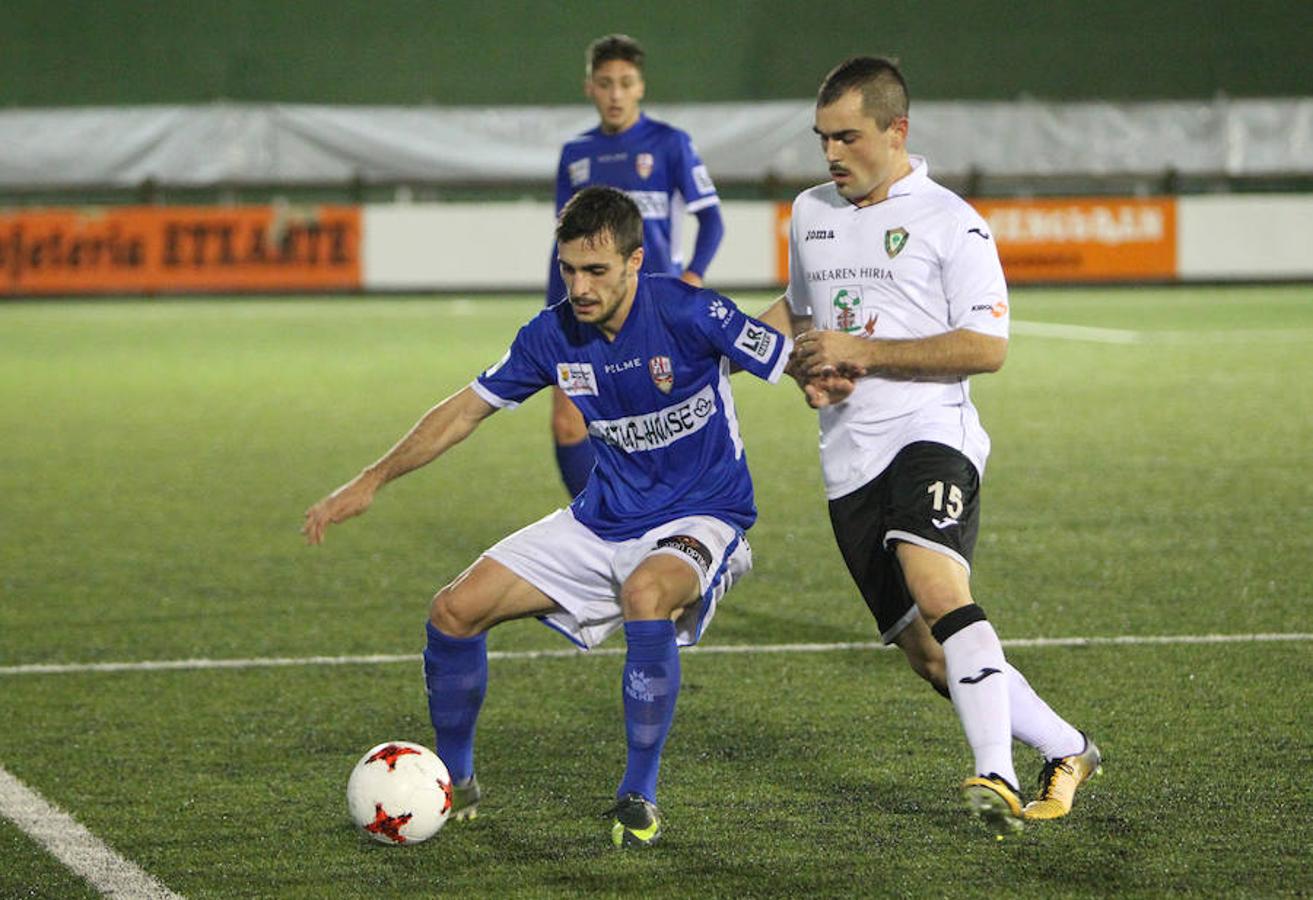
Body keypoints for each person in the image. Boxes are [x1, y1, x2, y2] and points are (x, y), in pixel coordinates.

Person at [304, 186, 788, 848]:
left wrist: (836, 372)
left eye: (596, 271)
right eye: (568, 269)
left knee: (646, 593)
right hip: (601, 518)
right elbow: (464, 410)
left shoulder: (687, 309)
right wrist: (371, 479)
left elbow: (785, 348)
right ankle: (458, 781)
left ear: (634, 262)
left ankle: (638, 795)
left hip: (704, 514)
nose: (579, 287)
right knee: (453, 610)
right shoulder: (550, 334)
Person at [761, 56, 1101, 836]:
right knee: (926, 654)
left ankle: (994, 773)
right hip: (847, 459)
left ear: (896, 131)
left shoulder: (953, 221)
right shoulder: (809, 212)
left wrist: (864, 353)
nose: (830, 153)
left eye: (847, 137)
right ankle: (1067, 748)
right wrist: (759, 358)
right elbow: (802, 310)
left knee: (938, 588)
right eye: (821, 138)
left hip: (929, 434)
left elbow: (986, 347)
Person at [547, 34, 726, 499]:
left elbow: (712, 220)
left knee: (656, 423)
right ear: (589, 87)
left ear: (640, 87)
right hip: (589, 311)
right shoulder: (575, 154)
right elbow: (562, 244)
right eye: (605, 83)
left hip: (652, 311)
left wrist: (692, 278)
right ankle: (603, 519)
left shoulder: (670, 144)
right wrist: (556, 312)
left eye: (626, 83)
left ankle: (669, 514)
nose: (615, 94)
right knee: (568, 421)